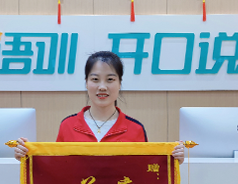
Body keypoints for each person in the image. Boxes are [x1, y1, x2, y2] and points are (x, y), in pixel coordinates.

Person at [14, 51, 184, 163]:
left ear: (119, 84)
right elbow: (56, 169)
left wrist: (172, 159)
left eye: (110, 80)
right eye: (95, 79)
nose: (102, 87)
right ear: (86, 83)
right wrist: (28, 155)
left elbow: (146, 172)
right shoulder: (68, 125)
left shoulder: (135, 129)